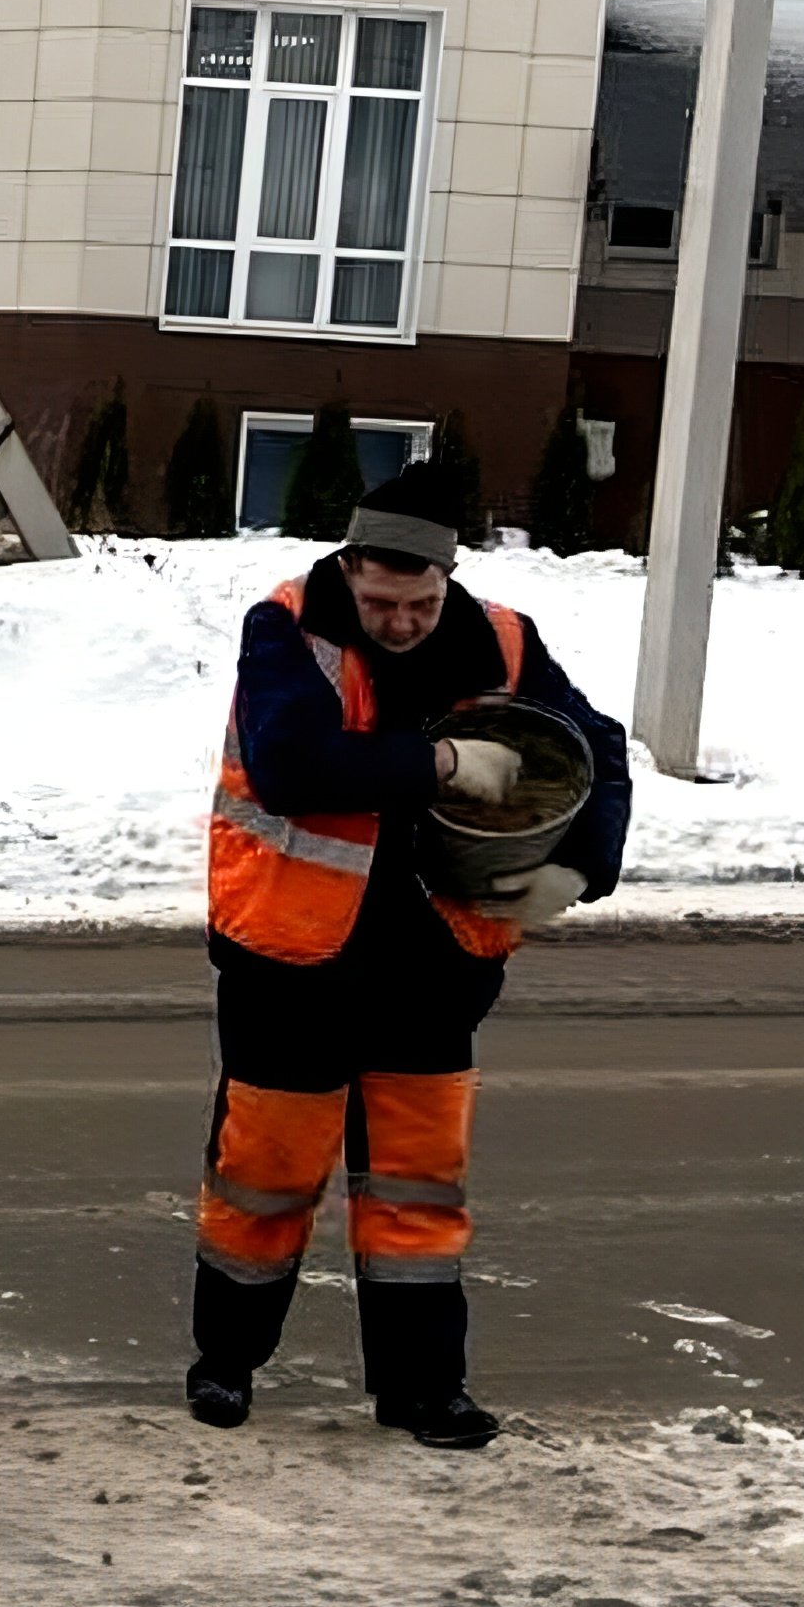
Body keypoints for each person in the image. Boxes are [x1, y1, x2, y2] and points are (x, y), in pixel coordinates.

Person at [188, 460, 631, 1449]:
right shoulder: (288, 627)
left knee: (417, 1184)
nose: (398, 622)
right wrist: (438, 760)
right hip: (292, 960)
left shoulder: (504, 640)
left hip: (435, 960)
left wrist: (582, 867)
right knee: (264, 1172)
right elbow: (292, 764)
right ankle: (226, 1361)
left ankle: (424, 1389)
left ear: (449, 579)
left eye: (419, 602)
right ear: (351, 569)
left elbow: (595, 747)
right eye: (381, 600)